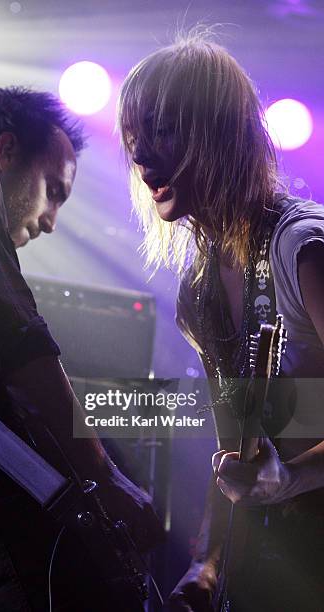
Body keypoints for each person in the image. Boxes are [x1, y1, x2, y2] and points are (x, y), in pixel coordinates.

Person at [0, 86, 160, 611]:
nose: (51, 221)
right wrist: (103, 475)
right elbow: (7, 328)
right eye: (53, 190)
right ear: (4, 153)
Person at [117, 31, 324, 612]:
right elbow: (236, 447)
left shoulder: (304, 251)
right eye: (135, 137)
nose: (139, 155)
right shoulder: (199, 291)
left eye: (162, 129)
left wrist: (295, 478)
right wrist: (205, 563)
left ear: (220, 132)